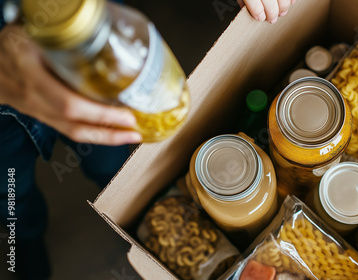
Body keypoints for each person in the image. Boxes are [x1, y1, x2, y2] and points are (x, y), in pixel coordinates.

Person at [0, 0, 295, 279]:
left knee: (111, 162)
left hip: (95, 37)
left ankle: (128, 214)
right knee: (12, 193)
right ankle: (22, 244)